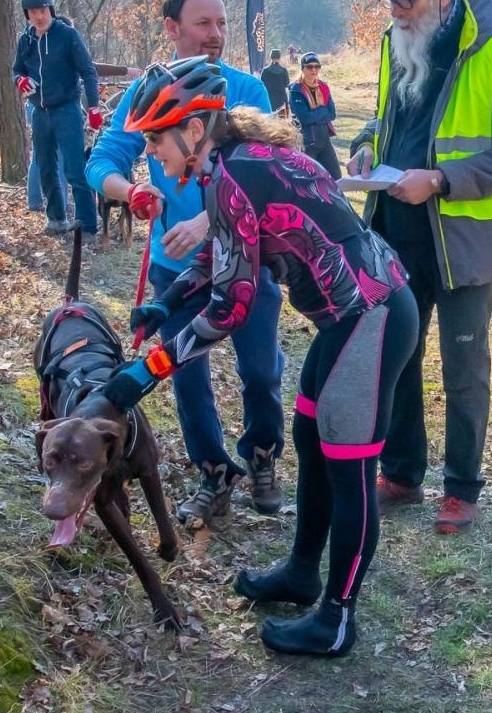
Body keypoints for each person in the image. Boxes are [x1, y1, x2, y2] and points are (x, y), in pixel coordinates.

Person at [99, 56, 417, 658]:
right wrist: (163, 304)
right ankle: (302, 573)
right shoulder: (231, 167)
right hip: (351, 319)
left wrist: (144, 374)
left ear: (194, 130)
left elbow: (230, 306)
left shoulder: (235, 174)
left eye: (155, 141)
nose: (151, 157)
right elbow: (224, 244)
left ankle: (338, 618)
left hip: (370, 318)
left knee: (347, 468)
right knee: (307, 436)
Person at [348, 0, 492, 534]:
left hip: (462, 243)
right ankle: (403, 474)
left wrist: (441, 180)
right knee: (398, 359)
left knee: (464, 367)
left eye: (406, 2)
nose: (397, 14)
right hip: (395, 233)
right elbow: (390, 118)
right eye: (390, 4)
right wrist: (365, 147)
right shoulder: (394, 44)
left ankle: (462, 488)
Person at [87, 0, 286, 522]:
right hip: (177, 271)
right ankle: (213, 473)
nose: (217, 35)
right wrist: (129, 191)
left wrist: (208, 219)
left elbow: (258, 177)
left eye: (222, 23)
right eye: (204, 24)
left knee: (262, 371)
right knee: (188, 375)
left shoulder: (245, 90)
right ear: (172, 29)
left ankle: (263, 454)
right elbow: (101, 158)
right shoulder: (148, 89)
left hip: (248, 258)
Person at [12, 0, 103, 236]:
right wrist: (20, 80)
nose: (38, 16)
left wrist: (93, 106)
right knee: (46, 167)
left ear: (50, 9)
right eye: (32, 11)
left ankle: (87, 226)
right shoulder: (26, 40)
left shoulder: (67, 36)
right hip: (39, 112)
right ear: (26, 14)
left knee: (75, 168)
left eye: (42, 10)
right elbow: (17, 69)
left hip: (67, 110)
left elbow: (88, 70)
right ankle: (56, 219)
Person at [288, 51, 340, 179]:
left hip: (324, 141)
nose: (313, 70)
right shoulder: (296, 89)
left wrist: (316, 114)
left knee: (336, 178)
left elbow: (332, 114)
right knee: (306, 180)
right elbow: (304, 118)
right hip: (307, 142)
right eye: (309, 67)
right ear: (302, 69)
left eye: (317, 67)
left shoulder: (323, 87)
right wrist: (322, 110)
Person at [260, 48, 290, 113]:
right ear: (279, 58)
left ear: (271, 57)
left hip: (269, 99)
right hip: (281, 100)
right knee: (282, 120)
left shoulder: (265, 71)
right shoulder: (284, 71)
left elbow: (261, 85)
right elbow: (287, 85)